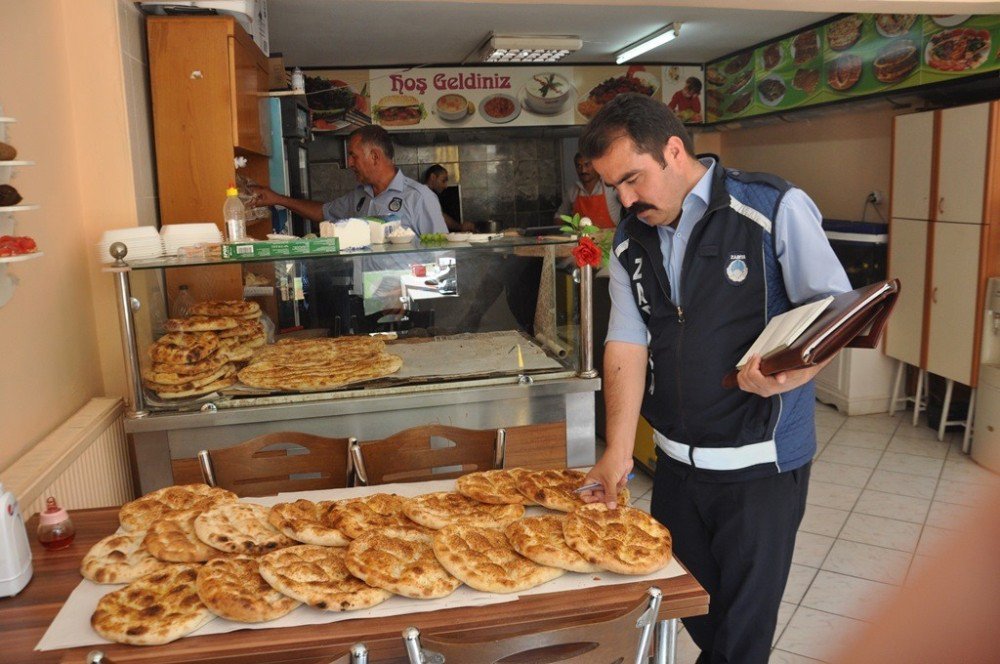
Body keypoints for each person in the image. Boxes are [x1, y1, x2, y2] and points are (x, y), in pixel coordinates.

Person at [578, 93, 850, 664]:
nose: (624, 200)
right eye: (612, 187)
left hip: (760, 468)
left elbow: (836, 315)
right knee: (691, 609)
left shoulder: (772, 208)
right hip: (676, 469)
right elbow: (626, 340)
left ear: (674, 151)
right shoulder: (631, 240)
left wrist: (795, 372)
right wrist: (618, 451)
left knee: (740, 639)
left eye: (632, 179)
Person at [251, 125, 447, 236]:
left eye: (353, 156)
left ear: (375, 157)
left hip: (405, 303)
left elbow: (444, 256)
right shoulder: (360, 196)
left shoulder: (420, 197)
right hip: (365, 299)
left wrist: (407, 287)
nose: (349, 162)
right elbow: (323, 212)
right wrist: (278, 199)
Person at [555, 152, 622, 229]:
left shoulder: (611, 186)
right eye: (579, 166)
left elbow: (630, 210)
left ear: (596, 165)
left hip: (610, 239)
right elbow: (559, 217)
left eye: (587, 165)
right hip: (582, 240)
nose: (583, 170)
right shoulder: (573, 191)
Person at [423, 164, 474, 232]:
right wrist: (460, 227)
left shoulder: (427, 194)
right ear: (433, 177)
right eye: (443, 181)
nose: (445, 186)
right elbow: (441, 218)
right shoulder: (426, 195)